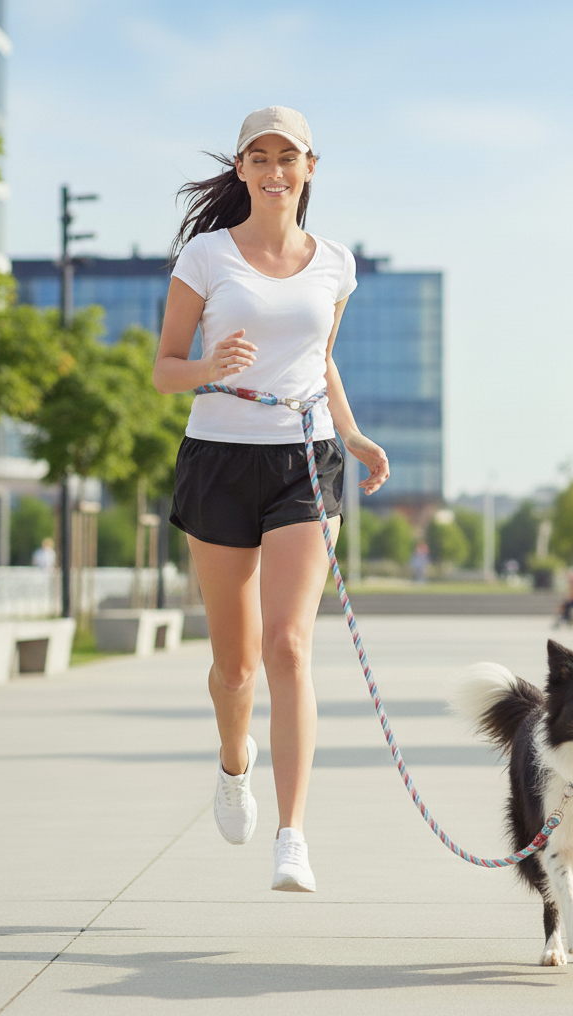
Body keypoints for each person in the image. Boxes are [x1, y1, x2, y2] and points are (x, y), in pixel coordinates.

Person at [152, 107, 389, 893]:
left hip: (305, 460)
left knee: (290, 646)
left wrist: (351, 435)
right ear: (245, 169)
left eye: (290, 157)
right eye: (262, 157)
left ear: (310, 167)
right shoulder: (207, 255)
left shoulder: (336, 265)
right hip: (219, 457)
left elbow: (321, 363)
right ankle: (232, 762)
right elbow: (164, 369)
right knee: (237, 663)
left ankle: (292, 835)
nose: (276, 170)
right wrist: (212, 365)